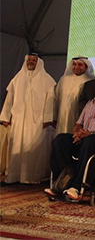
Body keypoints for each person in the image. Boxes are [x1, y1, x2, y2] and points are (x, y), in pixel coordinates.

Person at [0, 53, 56, 184]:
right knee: (17, 147)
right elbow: (9, 99)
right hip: (18, 120)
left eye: (34, 60)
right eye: (29, 60)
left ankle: (32, 177)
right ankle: (14, 176)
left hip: (36, 121)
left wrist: (48, 118)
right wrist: (5, 116)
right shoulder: (17, 78)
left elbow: (50, 101)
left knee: (34, 148)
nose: (31, 62)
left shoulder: (47, 80)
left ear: (39, 63)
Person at [55, 56, 95, 135]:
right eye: (74, 64)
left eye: (80, 65)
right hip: (62, 117)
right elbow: (56, 98)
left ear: (86, 66)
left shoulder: (91, 81)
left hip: (80, 117)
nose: (76, 67)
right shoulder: (63, 80)